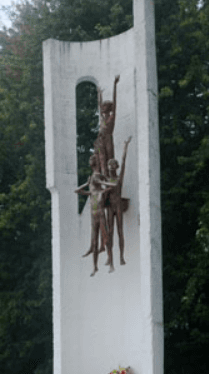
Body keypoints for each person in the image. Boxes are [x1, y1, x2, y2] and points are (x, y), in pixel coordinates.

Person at [75, 153, 113, 276]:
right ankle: (95, 267)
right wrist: (87, 184)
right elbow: (78, 191)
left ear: (96, 162)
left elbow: (107, 185)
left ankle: (110, 261)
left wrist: (110, 186)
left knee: (105, 235)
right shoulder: (92, 178)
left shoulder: (96, 177)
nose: (90, 160)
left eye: (92, 159)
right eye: (90, 158)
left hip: (100, 210)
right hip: (93, 212)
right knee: (94, 240)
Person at [98, 137, 132, 267]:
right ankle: (109, 258)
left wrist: (125, 147)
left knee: (120, 231)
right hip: (110, 207)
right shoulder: (106, 179)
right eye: (109, 164)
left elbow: (124, 162)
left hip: (118, 205)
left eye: (113, 164)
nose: (112, 166)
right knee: (110, 231)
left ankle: (121, 257)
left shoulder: (119, 178)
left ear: (116, 166)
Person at [94, 75, 119, 178]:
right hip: (101, 139)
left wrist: (114, 85)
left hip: (108, 138)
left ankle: (111, 176)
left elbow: (115, 100)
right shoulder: (102, 118)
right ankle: (103, 174)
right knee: (101, 158)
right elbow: (99, 104)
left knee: (109, 157)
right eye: (102, 106)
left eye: (104, 106)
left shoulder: (112, 116)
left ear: (108, 108)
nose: (102, 107)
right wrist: (99, 94)